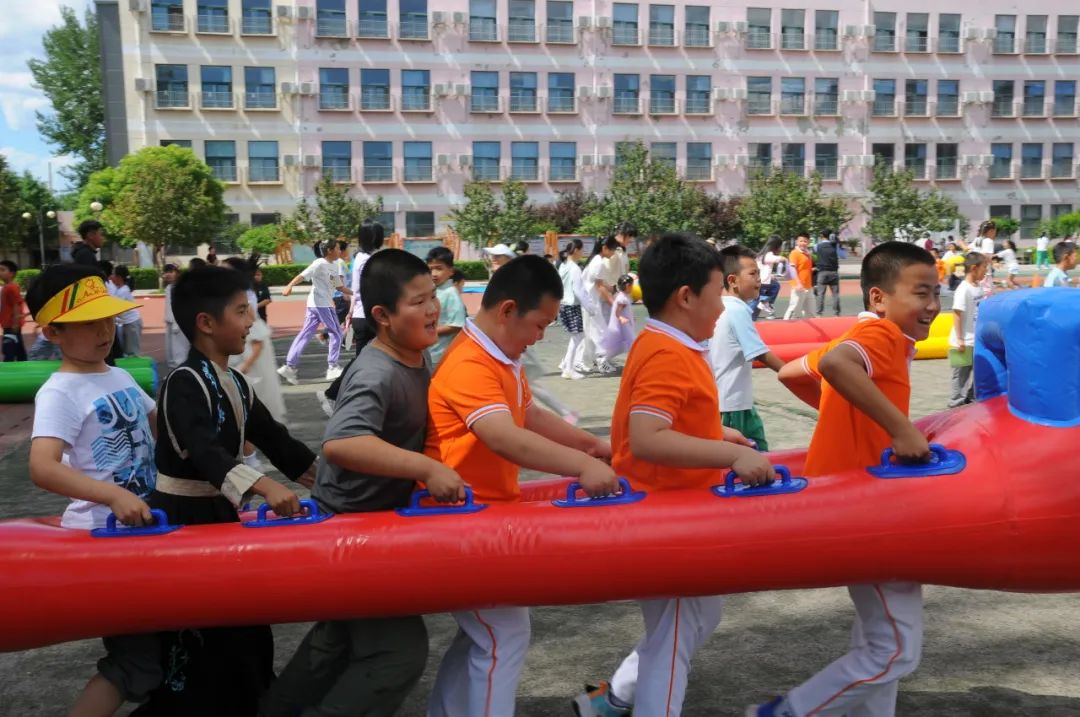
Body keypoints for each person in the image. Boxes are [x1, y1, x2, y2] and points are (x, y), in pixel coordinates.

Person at [574, 234, 774, 717]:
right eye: (716, 294)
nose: (723, 307)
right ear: (687, 297)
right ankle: (625, 701)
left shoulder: (672, 344)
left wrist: (716, 433)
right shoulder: (668, 352)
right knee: (676, 635)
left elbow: (668, 422)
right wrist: (731, 458)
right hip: (666, 518)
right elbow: (647, 438)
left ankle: (612, 698)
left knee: (695, 619)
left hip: (672, 511)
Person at [263, 250, 460, 717]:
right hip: (348, 532)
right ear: (383, 317)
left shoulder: (412, 356)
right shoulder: (377, 370)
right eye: (418, 302)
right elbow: (343, 443)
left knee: (335, 644)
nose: (432, 309)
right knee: (395, 655)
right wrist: (425, 468)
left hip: (365, 525)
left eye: (433, 296)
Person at [425, 254, 618, 717]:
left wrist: (594, 446)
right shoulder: (470, 362)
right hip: (459, 520)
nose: (542, 336)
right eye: (539, 324)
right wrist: (582, 467)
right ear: (508, 309)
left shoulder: (499, 356)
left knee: (488, 635)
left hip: (482, 515)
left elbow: (529, 415)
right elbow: (505, 437)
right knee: (504, 635)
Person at [755, 241, 940, 717]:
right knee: (897, 651)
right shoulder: (878, 337)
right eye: (921, 293)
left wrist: (849, 411)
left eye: (937, 292)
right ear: (879, 298)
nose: (934, 306)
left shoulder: (863, 336)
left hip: (854, 502)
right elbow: (836, 366)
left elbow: (794, 371)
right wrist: (899, 429)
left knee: (880, 640)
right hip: (868, 508)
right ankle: (788, 711)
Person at [146, 265, 315, 715]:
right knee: (203, 633)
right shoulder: (182, 382)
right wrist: (263, 486)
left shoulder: (235, 380)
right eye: (241, 312)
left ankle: (254, 701)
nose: (248, 322)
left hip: (220, 514)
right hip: (181, 519)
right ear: (206, 323)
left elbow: (277, 441)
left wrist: (332, 480)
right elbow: (204, 452)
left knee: (247, 626)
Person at [25, 263, 161, 716]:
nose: (104, 331)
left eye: (107, 318)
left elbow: (161, 428)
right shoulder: (60, 391)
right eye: (88, 323)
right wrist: (113, 496)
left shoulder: (118, 376)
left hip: (144, 530)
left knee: (162, 652)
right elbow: (43, 467)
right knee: (132, 663)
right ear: (53, 331)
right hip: (103, 539)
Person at [709, 245, 785, 451]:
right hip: (732, 406)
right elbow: (760, 352)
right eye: (753, 274)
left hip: (732, 402)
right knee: (750, 453)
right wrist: (792, 372)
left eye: (759, 273)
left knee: (757, 448)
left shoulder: (717, 307)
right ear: (732, 280)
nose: (759, 279)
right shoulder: (737, 310)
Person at [222, 256, 287, 425]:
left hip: (250, 356)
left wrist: (245, 366)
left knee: (254, 404)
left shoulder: (245, 298)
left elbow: (257, 339)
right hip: (243, 353)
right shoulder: (232, 295)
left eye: (225, 270)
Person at [278, 239, 353, 383]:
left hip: (316, 304)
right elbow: (302, 275)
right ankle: (332, 367)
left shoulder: (334, 265)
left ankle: (289, 367)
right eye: (337, 248)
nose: (340, 251)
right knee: (336, 332)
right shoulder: (319, 263)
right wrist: (289, 286)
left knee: (306, 333)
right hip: (321, 304)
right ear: (330, 251)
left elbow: (338, 287)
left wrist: (354, 292)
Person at [947, 252, 987, 408]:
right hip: (961, 341)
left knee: (975, 373)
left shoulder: (978, 287)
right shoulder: (963, 289)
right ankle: (955, 403)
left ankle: (970, 399)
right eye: (984, 267)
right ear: (974, 268)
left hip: (975, 339)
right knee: (960, 376)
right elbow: (956, 314)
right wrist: (960, 339)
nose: (985, 271)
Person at [576, 236, 620, 374]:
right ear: (605, 248)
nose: (613, 253)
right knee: (600, 331)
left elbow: (598, 284)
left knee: (592, 332)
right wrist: (613, 303)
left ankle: (595, 362)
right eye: (613, 249)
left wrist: (611, 289)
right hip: (592, 303)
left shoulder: (593, 260)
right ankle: (601, 362)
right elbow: (599, 286)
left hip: (588, 302)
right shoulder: (598, 263)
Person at [556, 238, 594, 380]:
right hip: (572, 305)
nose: (583, 252)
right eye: (582, 249)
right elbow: (579, 291)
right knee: (577, 336)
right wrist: (590, 308)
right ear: (576, 250)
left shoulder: (564, 265)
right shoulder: (574, 268)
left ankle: (567, 365)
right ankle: (568, 369)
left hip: (564, 305)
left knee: (576, 336)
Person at [426, 246, 467, 366]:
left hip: (441, 353)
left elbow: (456, 325)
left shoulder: (450, 293)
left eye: (439, 268)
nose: (434, 274)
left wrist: (429, 331)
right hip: (430, 351)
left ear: (451, 271)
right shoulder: (434, 290)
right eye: (430, 269)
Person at [348, 218, 385, 351]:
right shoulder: (367, 260)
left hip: (361, 315)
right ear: (374, 237)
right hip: (368, 317)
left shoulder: (360, 257)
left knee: (365, 358)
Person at [599, 273, 636, 361]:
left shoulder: (624, 297)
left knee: (623, 346)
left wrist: (631, 317)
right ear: (627, 286)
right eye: (632, 286)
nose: (633, 288)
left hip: (625, 325)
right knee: (630, 344)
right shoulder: (622, 299)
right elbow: (618, 312)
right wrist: (621, 318)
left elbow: (626, 310)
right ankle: (603, 359)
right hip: (623, 326)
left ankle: (604, 359)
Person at [110, 266, 143, 357]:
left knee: (132, 351)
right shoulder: (119, 289)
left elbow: (116, 310)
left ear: (119, 277)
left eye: (113, 274)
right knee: (128, 350)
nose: (111, 276)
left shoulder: (123, 291)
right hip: (128, 323)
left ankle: (136, 370)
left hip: (131, 323)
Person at [162, 263, 189, 370]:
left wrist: (177, 323)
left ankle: (181, 372)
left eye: (171, 271)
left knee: (179, 351)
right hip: (169, 322)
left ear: (177, 273)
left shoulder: (182, 287)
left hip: (178, 323)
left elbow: (182, 306)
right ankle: (172, 372)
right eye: (166, 272)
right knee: (170, 352)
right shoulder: (169, 287)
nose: (168, 274)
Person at [0, 260, 28, 362]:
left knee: (8, 351)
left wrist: (15, 324)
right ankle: (24, 364)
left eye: (3, 270)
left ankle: (7, 372)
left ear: (11, 273)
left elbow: (16, 305)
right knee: (18, 349)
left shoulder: (11, 287)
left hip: (11, 325)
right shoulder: (7, 287)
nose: (0, 272)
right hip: (10, 324)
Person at [783, 233, 814, 320]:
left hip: (809, 287)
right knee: (794, 310)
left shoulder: (808, 254)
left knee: (811, 313)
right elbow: (792, 269)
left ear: (808, 242)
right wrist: (798, 283)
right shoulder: (794, 253)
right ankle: (784, 327)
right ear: (797, 242)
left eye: (805, 241)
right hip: (798, 287)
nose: (803, 243)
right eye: (801, 241)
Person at [755, 236, 785, 319]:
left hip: (760, 280)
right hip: (764, 282)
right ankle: (766, 303)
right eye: (780, 246)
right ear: (776, 246)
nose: (781, 248)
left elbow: (762, 267)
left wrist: (770, 275)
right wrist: (784, 259)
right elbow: (775, 259)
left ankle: (764, 304)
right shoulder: (768, 255)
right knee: (776, 286)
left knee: (757, 303)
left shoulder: (761, 255)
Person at [814, 231, 842, 317]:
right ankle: (836, 313)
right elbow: (841, 254)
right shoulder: (834, 245)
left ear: (822, 236)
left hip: (822, 272)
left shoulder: (817, 246)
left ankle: (819, 313)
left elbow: (815, 254)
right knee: (835, 294)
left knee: (820, 294)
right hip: (833, 272)